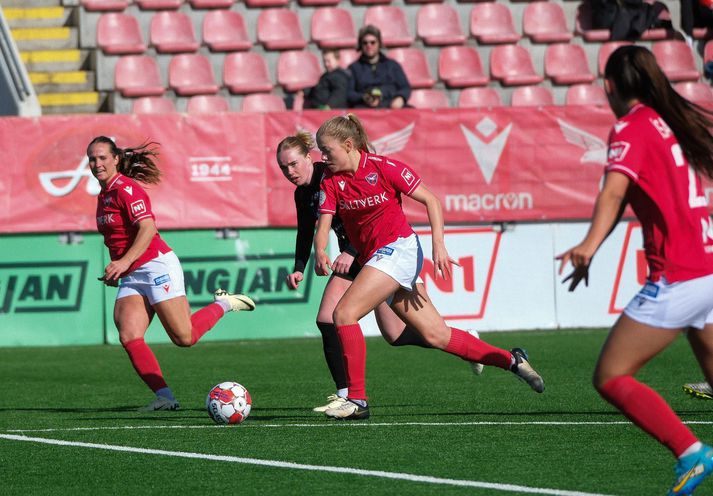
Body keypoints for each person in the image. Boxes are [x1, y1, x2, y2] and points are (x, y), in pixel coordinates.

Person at [313, 114, 544, 421]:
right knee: (436, 336)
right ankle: (512, 361)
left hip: (399, 249)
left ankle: (356, 400)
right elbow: (324, 222)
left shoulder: (385, 167)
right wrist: (320, 250)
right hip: (378, 258)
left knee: (343, 314)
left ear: (349, 144)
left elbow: (431, 201)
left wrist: (439, 244)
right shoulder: (331, 181)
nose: (323, 157)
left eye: (327, 150)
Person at [556, 45, 713, 495]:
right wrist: (594, 247)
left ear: (608, 86)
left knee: (610, 375)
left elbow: (612, 193)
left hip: (679, 277)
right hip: (708, 269)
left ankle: (690, 452)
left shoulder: (631, 127)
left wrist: (587, 245)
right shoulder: (668, 123)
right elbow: (627, 196)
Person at [277, 131, 483, 412]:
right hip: (359, 256)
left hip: (375, 252)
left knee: (329, 318)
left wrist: (350, 251)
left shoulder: (333, 173)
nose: (289, 171)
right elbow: (305, 231)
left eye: (293, 164)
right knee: (396, 335)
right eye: (283, 167)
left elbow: (365, 212)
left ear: (309, 157)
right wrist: (299, 267)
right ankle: (464, 341)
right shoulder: (302, 193)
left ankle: (349, 395)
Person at [88, 136, 255, 412]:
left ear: (116, 158)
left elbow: (148, 229)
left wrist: (122, 262)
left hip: (155, 265)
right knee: (129, 334)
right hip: (132, 271)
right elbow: (118, 238)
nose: (97, 163)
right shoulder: (104, 195)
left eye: (103, 157)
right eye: (92, 159)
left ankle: (225, 303)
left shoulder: (126, 189)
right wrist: (118, 267)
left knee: (184, 338)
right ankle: (165, 396)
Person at [347, 25, 411, 109]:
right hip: (364, 109)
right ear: (360, 45)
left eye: (373, 42)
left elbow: (405, 87)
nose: (369, 46)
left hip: (391, 107)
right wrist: (363, 97)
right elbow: (349, 93)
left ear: (379, 43)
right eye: (365, 43)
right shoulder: (353, 68)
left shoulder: (392, 65)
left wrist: (400, 98)